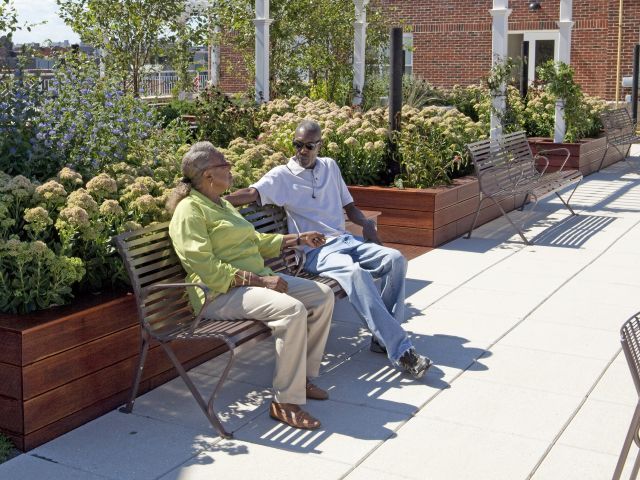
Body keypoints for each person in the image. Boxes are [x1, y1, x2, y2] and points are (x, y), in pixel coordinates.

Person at [225, 120, 432, 379]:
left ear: (319, 145)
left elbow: (350, 207)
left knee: (395, 259)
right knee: (356, 274)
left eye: (308, 146)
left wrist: (366, 223)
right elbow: (252, 192)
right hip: (316, 251)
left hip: (345, 240)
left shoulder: (330, 167)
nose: (302, 151)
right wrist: (216, 199)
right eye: (297, 145)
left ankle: (382, 338)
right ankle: (402, 350)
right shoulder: (282, 176)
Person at [167, 141, 335, 430]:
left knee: (322, 295)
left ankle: (300, 378)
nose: (231, 168)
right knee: (292, 310)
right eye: (225, 164)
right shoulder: (189, 212)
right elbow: (205, 267)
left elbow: (255, 241)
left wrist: (297, 238)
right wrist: (259, 280)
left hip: (253, 285)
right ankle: (284, 402)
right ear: (208, 174)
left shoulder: (221, 204)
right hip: (217, 294)